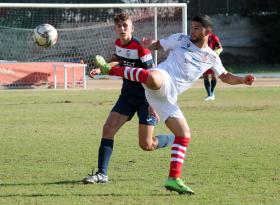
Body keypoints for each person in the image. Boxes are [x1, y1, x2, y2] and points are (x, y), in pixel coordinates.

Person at [93, 14, 255, 194]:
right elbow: (159, 44)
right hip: (163, 77)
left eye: (196, 28)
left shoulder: (211, 57)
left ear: (207, 32)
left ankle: (174, 178)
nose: (191, 31)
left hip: (168, 98)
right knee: (152, 77)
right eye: (191, 27)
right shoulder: (180, 39)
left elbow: (225, 77)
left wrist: (243, 80)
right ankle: (112, 71)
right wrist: (150, 43)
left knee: (183, 134)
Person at [83, 13, 175, 185]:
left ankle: (175, 138)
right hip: (127, 95)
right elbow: (118, 59)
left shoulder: (141, 48)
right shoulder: (118, 43)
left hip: (147, 98)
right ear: (115, 29)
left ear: (132, 28)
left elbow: (152, 74)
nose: (122, 28)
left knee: (146, 144)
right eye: (119, 26)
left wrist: (155, 103)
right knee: (108, 128)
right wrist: (102, 68)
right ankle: (102, 174)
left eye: (125, 25)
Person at [203, 32, 223, 101]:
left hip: (212, 60)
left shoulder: (213, 37)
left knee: (214, 76)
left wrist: (214, 55)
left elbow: (220, 48)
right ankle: (209, 94)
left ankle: (212, 93)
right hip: (203, 60)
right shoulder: (200, 37)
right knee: (205, 76)